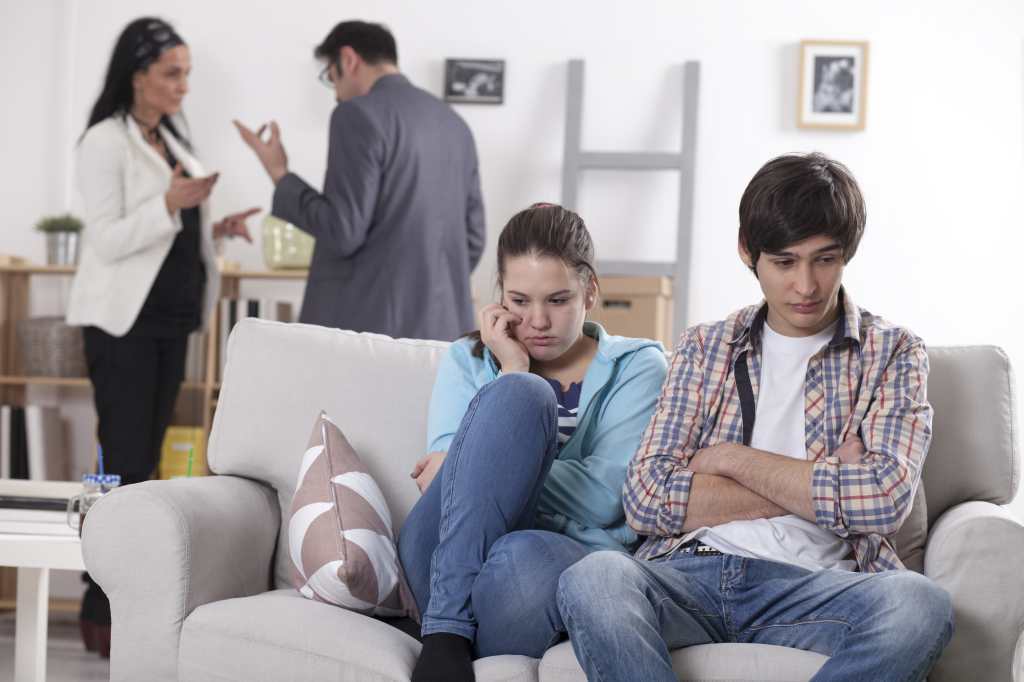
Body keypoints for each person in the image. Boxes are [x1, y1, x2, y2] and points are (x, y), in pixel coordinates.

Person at [556, 153, 954, 681]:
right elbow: (645, 498)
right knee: (593, 578)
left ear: (848, 252)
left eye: (825, 259)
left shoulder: (894, 352)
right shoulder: (705, 347)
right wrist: (824, 478)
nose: (806, 286)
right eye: (785, 262)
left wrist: (729, 459)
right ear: (748, 250)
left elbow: (884, 501)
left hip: (816, 584)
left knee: (921, 605)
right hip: (690, 572)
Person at [396, 204, 668, 682]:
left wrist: (488, 467)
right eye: (520, 301)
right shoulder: (466, 360)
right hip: (437, 558)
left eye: (558, 300)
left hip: (531, 573)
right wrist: (512, 370)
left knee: (524, 554)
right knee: (524, 393)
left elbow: (610, 496)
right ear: (500, 297)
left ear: (590, 291)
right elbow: (440, 488)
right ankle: (447, 630)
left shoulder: (639, 367)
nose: (538, 320)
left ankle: (445, 634)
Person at [67, 17, 258, 657]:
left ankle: (126, 601)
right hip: (123, 324)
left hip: (173, 321)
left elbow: (170, 230)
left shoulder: (172, 136)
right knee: (121, 463)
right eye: (172, 73)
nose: (183, 86)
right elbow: (106, 237)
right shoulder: (104, 141)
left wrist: (215, 226)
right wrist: (171, 204)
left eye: (186, 73)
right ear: (137, 75)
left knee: (145, 463)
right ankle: (98, 605)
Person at [235, 20, 485, 341]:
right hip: (445, 330)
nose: (336, 95)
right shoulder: (454, 124)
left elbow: (343, 231)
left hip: (371, 332)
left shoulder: (356, 115)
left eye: (331, 77)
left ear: (348, 59)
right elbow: (474, 239)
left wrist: (279, 173)